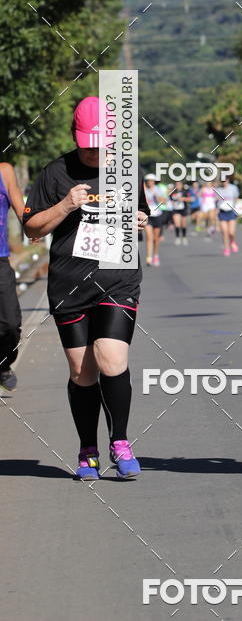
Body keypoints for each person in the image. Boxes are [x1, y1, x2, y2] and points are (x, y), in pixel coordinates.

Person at [23, 96, 149, 480]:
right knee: (82, 371)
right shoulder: (55, 173)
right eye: (88, 144)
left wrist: (139, 218)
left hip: (117, 279)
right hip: (69, 284)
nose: (95, 152)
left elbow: (138, 212)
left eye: (101, 144)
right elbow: (31, 229)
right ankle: (87, 449)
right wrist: (64, 206)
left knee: (111, 357)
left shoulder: (126, 170)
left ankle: (121, 441)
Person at [0, 162, 26, 392]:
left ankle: (3, 363)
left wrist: (33, 226)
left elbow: (21, 210)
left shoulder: (4, 171)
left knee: (10, 325)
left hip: (0, 261)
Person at [143, 173, 165, 266]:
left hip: (157, 215)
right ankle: (149, 257)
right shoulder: (143, 190)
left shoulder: (158, 190)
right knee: (149, 237)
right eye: (148, 181)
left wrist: (158, 197)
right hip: (148, 216)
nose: (149, 182)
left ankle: (155, 255)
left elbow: (164, 202)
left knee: (156, 239)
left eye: (151, 181)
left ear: (154, 182)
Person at [216, 174, 240, 256]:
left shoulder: (233, 188)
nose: (224, 182)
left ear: (228, 180)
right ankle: (226, 248)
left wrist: (235, 207)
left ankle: (232, 241)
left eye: (225, 180)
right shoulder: (218, 190)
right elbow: (216, 202)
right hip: (222, 212)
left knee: (231, 232)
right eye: (222, 181)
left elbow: (236, 198)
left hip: (231, 211)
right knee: (224, 232)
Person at [171, 179, 192, 245]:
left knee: (183, 224)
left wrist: (183, 199)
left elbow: (191, 199)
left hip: (183, 209)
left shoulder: (185, 191)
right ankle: (177, 238)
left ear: (182, 185)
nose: (178, 186)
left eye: (179, 184)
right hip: (175, 209)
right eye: (177, 184)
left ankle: (184, 237)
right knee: (177, 224)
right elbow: (168, 199)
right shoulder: (173, 191)